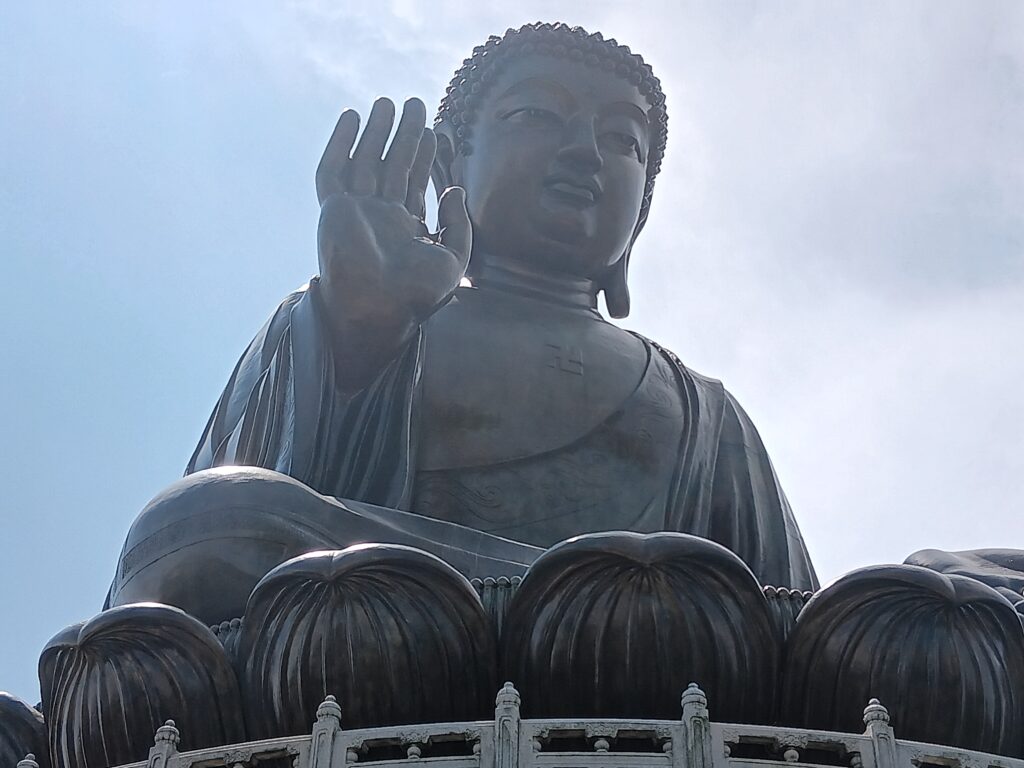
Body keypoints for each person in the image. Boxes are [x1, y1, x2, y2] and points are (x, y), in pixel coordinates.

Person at [109, 23, 818, 625]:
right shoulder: (336, 317)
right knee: (203, 524)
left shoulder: (702, 409)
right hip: (392, 622)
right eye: (537, 115)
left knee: (906, 614)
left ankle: (599, 613)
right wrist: (361, 331)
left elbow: (791, 619)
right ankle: (593, 613)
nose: (584, 151)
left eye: (623, 141)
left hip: (650, 646)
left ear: (645, 208)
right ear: (450, 159)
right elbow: (198, 566)